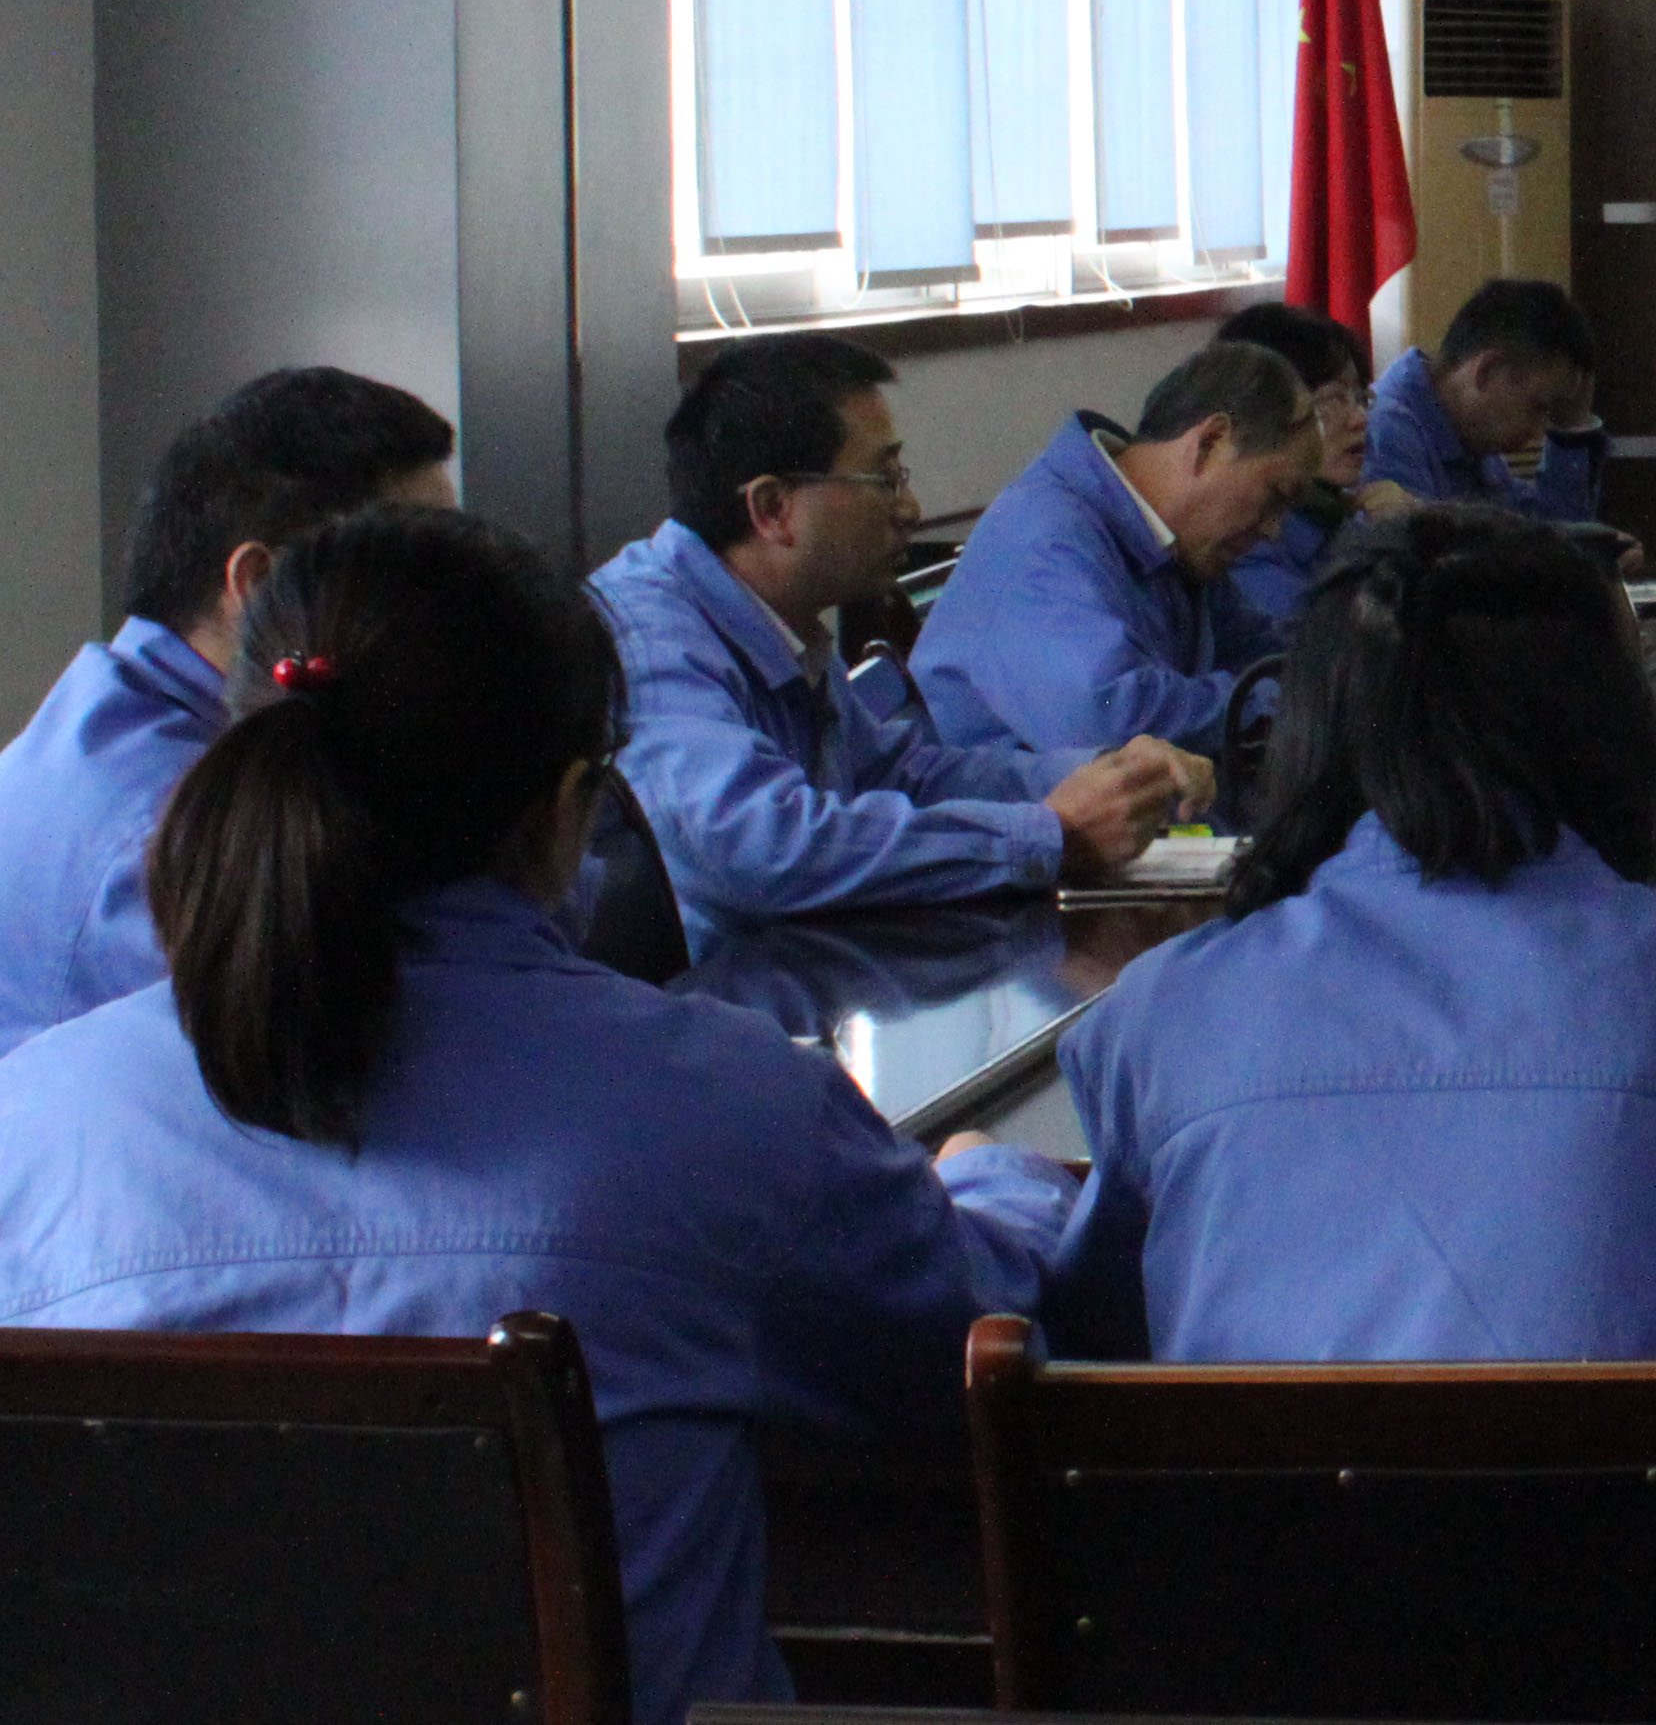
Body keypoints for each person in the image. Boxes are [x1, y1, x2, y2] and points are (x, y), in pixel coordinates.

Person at [0, 505, 1074, 1725]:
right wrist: (999, 1185)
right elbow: (971, 1367)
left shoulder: (33, 1119)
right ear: (566, 810)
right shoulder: (720, 1106)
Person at [1050, 508, 1656, 1381]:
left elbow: (1097, 1342)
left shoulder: (1165, 1013)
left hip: (1267, 1551)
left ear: (1312, 733)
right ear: (1608, 725)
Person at [591, 336, 1195, 938]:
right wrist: (1050, 836)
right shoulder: (647, 637)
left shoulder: (781, 616)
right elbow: (759, 845)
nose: (911, 509)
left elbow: (901, 777)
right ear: (772, 508)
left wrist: (1108, 775)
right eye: (883, 479)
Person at [0, 368, 455, 1059]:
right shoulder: (173, 837)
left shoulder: (113, 715)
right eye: (415, 571)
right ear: (260, 584)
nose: (451, 607)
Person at [917, 342, 1319, 759]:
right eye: (1275, 494)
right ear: (1210, 442)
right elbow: (1108, 718)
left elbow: (1259, 652)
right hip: (1020, 795)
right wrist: (1263, 704)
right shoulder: (1046, 538)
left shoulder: (1176, 540)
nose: (1273, 530)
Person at [1214, 300, 1415, 629]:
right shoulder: (1248, 542)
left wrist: (1411, 532)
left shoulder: (1338, 514)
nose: (1360, 419)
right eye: (1334, 400)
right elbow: (1333, 644)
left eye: (1361, 398)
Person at [1368, 278, 1611, 523]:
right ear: (1486, 371)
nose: (1538, 432)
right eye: (1537, 408)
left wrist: (1572, 429)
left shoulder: (1470, 430)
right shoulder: (1385, 432)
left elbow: (1547, 529)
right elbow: (1416, 545)